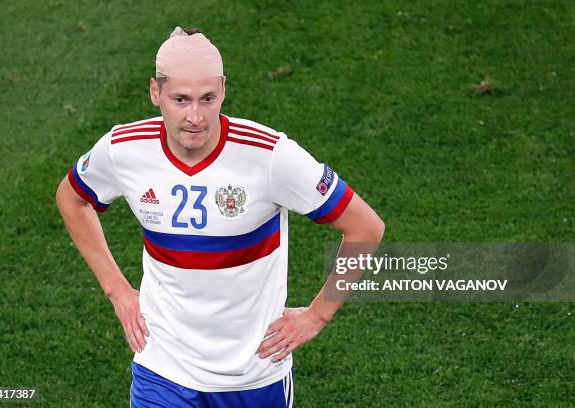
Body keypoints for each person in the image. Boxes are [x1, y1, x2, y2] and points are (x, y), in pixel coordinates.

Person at [56, 26, 384, 408]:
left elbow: (365, 227)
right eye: (180, 99)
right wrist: (117, 291)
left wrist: (318, 315)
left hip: (255, 375)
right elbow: (72, 199)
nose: (195, 116)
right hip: (163, 370)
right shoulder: (123, 149)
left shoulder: (270, 156)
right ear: (154, 92)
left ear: (223, 90)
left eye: (207, 98)